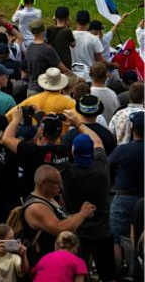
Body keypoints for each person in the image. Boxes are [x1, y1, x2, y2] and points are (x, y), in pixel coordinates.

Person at [60, 111, 115, 281]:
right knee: (107, 274)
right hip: (102, 230)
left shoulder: (67, 172)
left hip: (77, 229)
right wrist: (79, 123)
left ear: (73, 150)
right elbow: (97, 141)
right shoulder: (101, 166)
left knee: (76, 274)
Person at [19, 164, 96, 266]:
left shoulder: (51, 198)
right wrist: (82, 214)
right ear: (43, 183)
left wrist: (80, 215)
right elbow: (59, 228)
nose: (60, 186)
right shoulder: (36, 207)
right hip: (47, 264)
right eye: (56, 183)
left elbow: (65, 220)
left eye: (61, 182)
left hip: (60, 262)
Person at [108, 111, 144, 263]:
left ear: (132, 129)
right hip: (141, 198)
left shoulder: (122, 150)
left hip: (124, 198)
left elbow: (108, 168)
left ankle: (121, 270)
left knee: (116, 238)